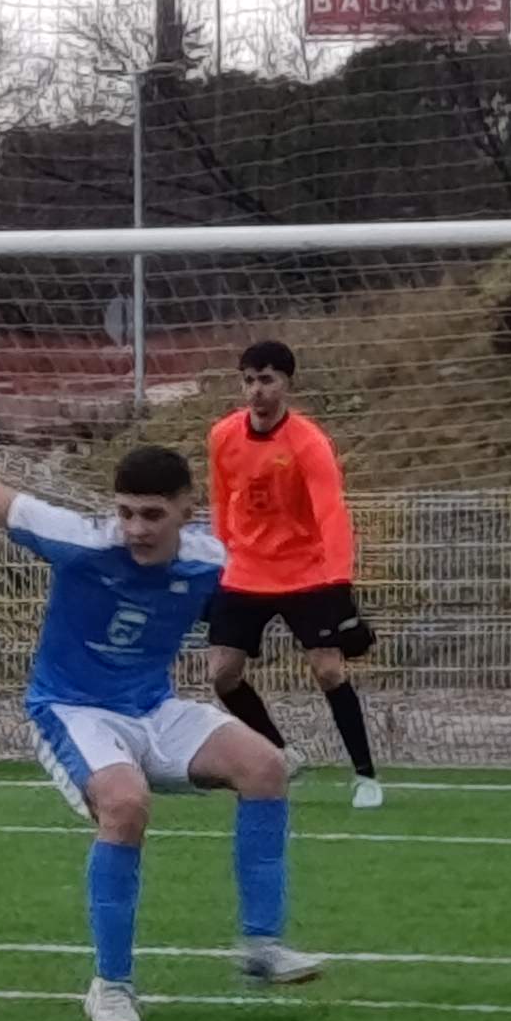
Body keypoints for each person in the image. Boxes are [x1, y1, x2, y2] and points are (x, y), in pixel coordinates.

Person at [0, 430, 318, 1021]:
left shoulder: (212, 561)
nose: (136, 528)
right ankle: (111, 985)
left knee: (265, 766)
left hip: (153, 708)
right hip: (72, 709)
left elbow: (280, 578)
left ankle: (262, 947)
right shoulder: (79, 541)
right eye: (126, 513)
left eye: (152, 515)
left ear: (187, 509)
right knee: (126, 805)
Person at [203, 338, 385, 807]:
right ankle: (282, 754)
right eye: (249, 380)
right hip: (245, 570)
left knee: (328, 670)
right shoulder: (223, 435)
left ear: (286, 383)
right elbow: (221, 501)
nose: (256, 390)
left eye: (266, 380)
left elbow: (331, 513)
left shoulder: (308, 442)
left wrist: (339, 585)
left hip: (306, 572)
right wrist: (218, 560)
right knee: (222, 674)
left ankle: (365, 776)